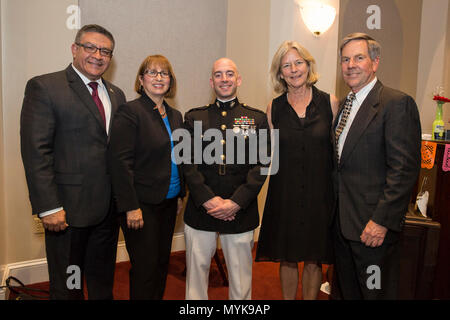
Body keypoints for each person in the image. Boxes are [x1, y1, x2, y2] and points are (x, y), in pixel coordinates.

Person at [20, 24, 126, 299]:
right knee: (70, 284)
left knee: (102, 281)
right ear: (74, 49)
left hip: (107, 210)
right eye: (90, 47)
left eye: (105, 51)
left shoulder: (116, 94)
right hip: (67, 213)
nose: (98, 55)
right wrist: (48, 207)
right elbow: (36, 151)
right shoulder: (45, 87)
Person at [332, 33, 421, 299]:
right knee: (347, 294)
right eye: (345, 59)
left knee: (374, 294)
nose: (350, 65)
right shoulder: (344, 106)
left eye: (359, 58)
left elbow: (403, 171)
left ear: (375, 62)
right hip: (342, 226)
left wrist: (381, 221)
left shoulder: (396, 103)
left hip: (373, 231)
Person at [255, 41, 339, 300]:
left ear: (308, 65)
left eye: (298, 63)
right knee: (288, 257)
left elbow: (339, 153)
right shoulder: (274, 108)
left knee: (315, 258)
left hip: (319, 195)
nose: (293, 70)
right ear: (280, 73)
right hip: (285, 194)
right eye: (286, 65)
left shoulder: (331, 103)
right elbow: (264, 154)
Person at [183, 58, 269, 300]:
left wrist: (236, 202)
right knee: (196, 278)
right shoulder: (194, 117)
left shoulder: (256, 119)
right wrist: (207, 200)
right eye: (218, 75)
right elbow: (187, 162)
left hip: (240, 211)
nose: (224, 79)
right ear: (211, 81)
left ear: (238, 79)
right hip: (201, 210)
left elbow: (262, 165)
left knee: (241, 279)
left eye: (229, 74)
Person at [108, 55, 184, 300]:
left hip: (169, 202)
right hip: (141, 206)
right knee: (145, 269)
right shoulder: (130, 112)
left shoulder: (175, 115)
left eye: (164, 73)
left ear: (171, 81)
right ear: (141, 80)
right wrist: (130, 207)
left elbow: (178, 158)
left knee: (162, 264)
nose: (159, 77)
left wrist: (181, 194)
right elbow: (120, 163)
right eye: (152, 72)